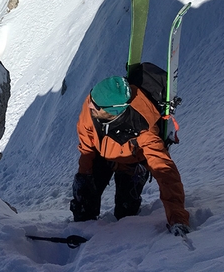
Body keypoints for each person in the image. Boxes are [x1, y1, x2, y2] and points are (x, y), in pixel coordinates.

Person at [70, 75, 190, 235]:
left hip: (132, 164)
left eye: (95, 106)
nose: (89, 105)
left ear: (113, 112)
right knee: (83, 208)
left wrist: (178, 218)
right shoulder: (94, 102)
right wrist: (84, 177)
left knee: (125, 214)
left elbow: (165, 172)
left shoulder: (144, 127)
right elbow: (86, 146)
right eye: (91, 99)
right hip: (102, 157)